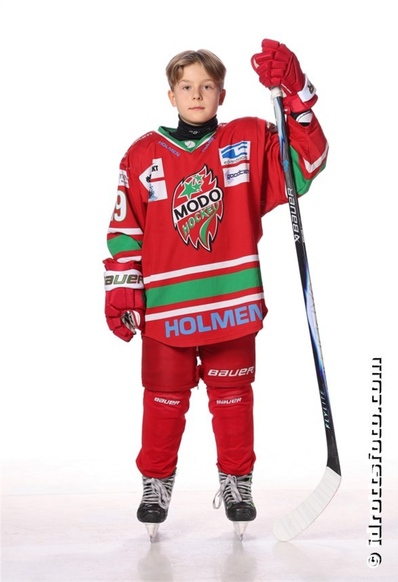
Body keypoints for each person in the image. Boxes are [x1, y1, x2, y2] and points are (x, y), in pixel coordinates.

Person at [103, 39, 328, 537]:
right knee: (162, 400)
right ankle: (156, 484)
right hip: (166, 305)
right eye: (186, 87)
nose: (197, 95)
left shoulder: (248, 140)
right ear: (171, 95)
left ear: (222, 94)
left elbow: (306, 165)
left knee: (233, 397)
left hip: (232, 299)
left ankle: (237, 483)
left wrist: (297, 94)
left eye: (207, 86)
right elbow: (125, 227)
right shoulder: (142, 154)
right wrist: (121, 285)